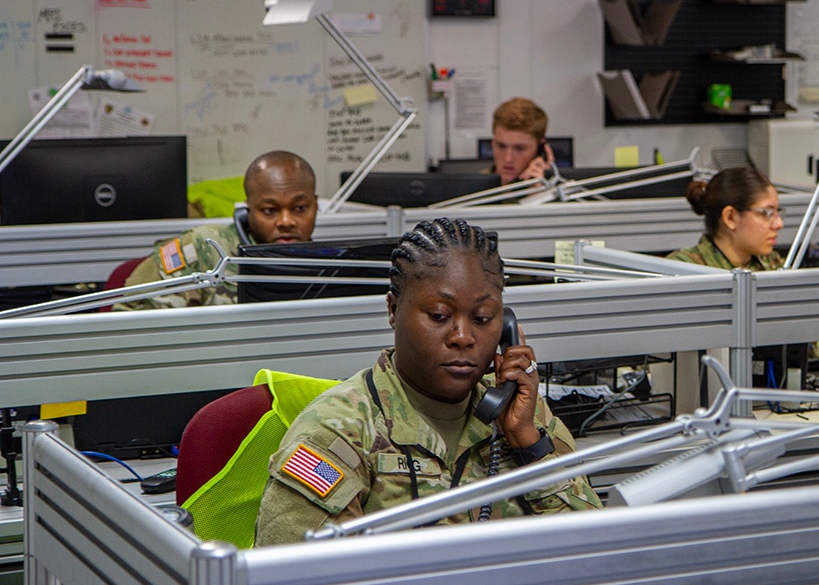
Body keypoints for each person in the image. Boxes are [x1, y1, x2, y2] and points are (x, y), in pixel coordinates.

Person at [255, 217, 601, 546]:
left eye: (483, 318)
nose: (463, 337)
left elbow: (599, 552)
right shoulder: (336, 435)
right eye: (439, 315)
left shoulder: (523, 416)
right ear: (393, 310)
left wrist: (529, 444)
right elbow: (293, 581)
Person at [112, 150, 318, 310]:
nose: (286, 221)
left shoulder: (332, 265)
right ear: (248, 210)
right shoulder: (201, 247)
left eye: (300, 208)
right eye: (270, 210)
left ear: (315, 206)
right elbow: (128, 323)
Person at [667, 166, 784, 271]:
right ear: (730, 218)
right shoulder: (682, 270)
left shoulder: (772, 264)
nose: (779, 224)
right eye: (766, 213)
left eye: (777, 212)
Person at [491, 97, 556, 185]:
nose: (508, 158)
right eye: (501, 146)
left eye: (519, 148)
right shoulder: (471, 188)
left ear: (540, 148)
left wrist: (538, 194)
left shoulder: (561, 192)